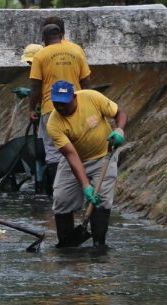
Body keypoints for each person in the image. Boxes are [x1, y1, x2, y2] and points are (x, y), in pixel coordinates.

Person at [46, 80, 127, 247]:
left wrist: (119, 130)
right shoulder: (53, 124)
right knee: (61, 199)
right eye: (56, 102)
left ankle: (99, 245)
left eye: (64, 102)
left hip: (103, 157)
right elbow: (71, 155)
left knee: (101, 200)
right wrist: (85, 186)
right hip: (74, 161)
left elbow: (120, 112)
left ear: (74, 97)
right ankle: (67, 247)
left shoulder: (92, 98)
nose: (60, 107)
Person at [29, 23, 91, 198]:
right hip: (76, 107)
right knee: (78, 148)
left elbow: (36, 86)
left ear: (44, 39)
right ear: (62, 36)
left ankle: (58, 193)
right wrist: (88, 104)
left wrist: (32, 108)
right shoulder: (76, 51)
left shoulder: (40, 55)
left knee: (53, 151)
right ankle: (82, 188)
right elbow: (86, 82)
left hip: (52, 108)